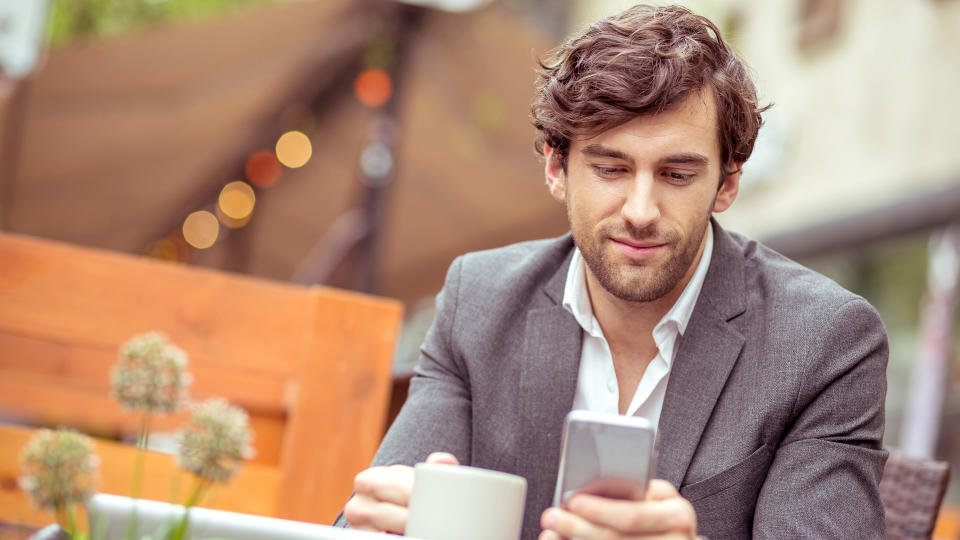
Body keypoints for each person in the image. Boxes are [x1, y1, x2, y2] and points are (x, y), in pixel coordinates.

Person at [337, 4, 888, 539]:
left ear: (727, 183)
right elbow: (379, 512)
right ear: (557, 168)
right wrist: (374, 522)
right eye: (610, 168)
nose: (640, 211)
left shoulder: (825, 342)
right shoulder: (479, 301)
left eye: (676, 175)